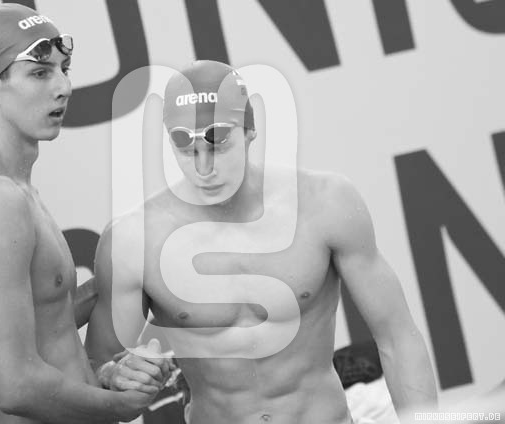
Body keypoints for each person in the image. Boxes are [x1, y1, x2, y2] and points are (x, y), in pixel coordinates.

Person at [85, 60, 438, 423]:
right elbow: (94, 372)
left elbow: (398, 339)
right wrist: (117, 375)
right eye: (186, 147)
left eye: (219, 141)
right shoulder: (135, 240)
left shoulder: (324, 204)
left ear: (249, 130)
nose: (204, 166)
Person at [0, 4, 169, 423]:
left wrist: (114, 287)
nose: (64, 86)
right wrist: (120, 407)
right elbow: (13, 386)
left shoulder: (10, 191)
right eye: (39, 73)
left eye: (64, 68)